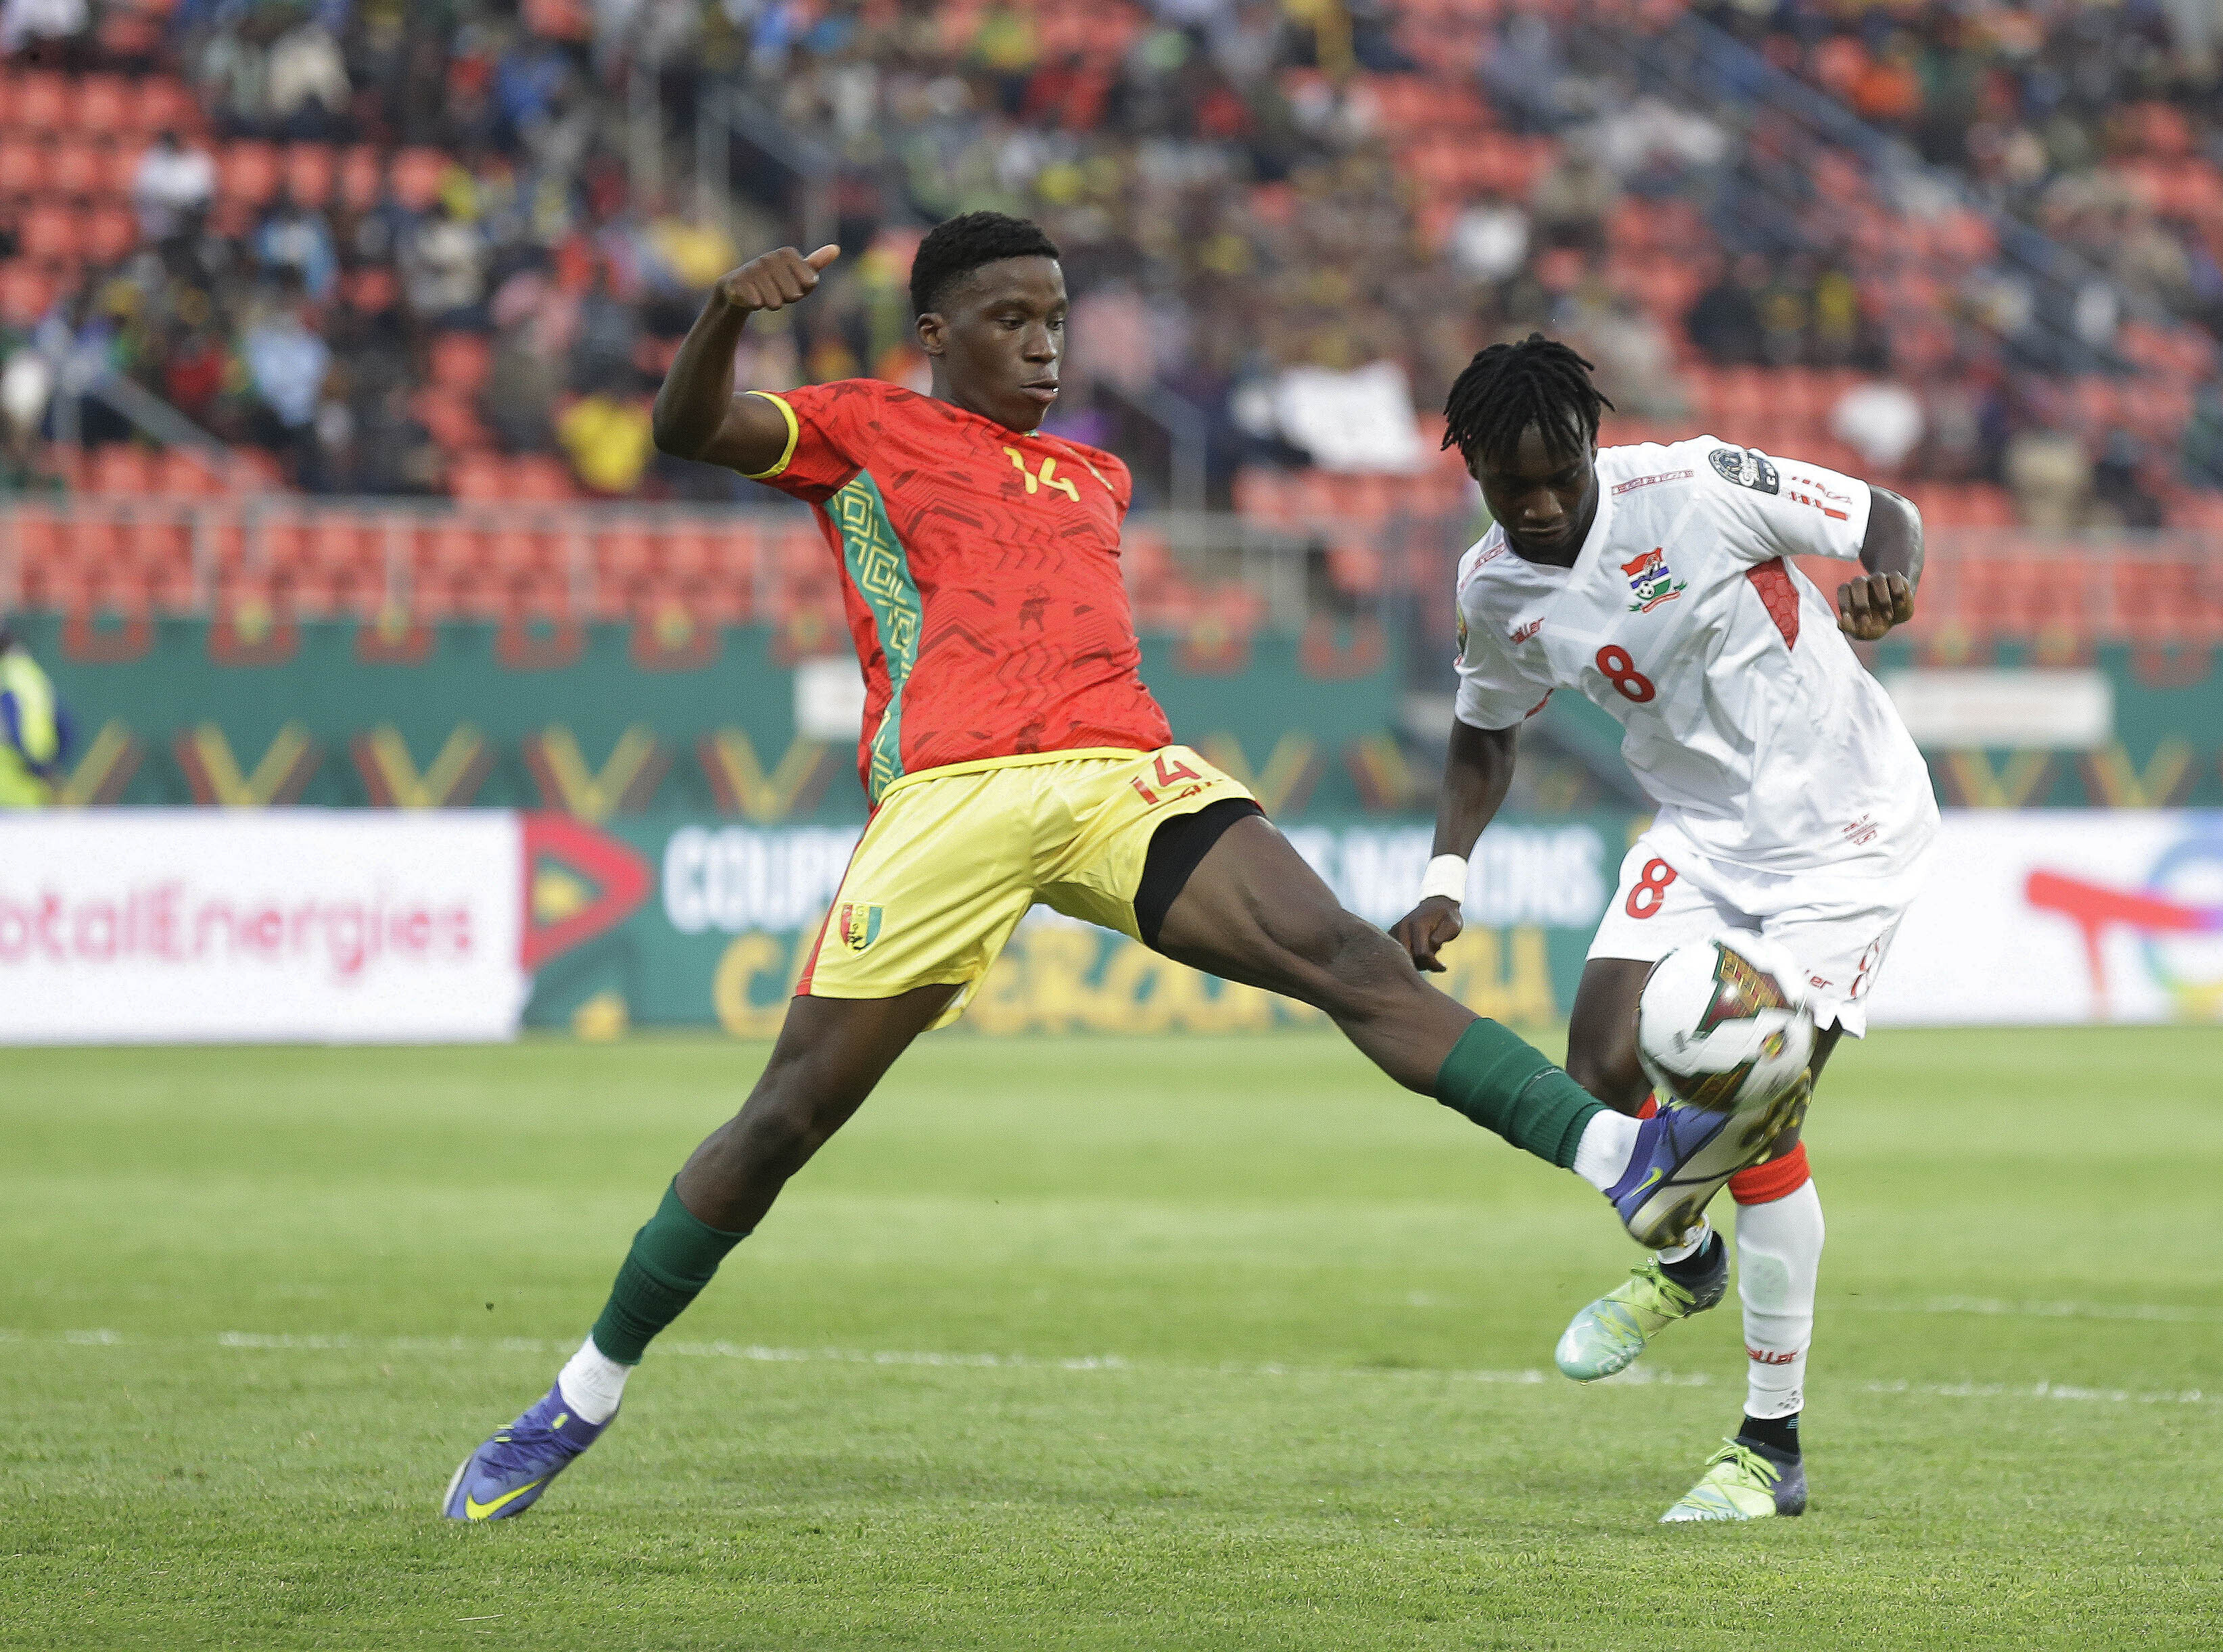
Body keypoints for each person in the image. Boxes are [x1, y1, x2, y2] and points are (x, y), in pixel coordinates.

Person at [441, 216, 1781, 1522]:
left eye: (1056, 321)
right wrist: (728, 311)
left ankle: (1621, 1155)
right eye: (1008, 320)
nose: (1042, 347)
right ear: (934, 334)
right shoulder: (857, 428)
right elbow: (686, 431)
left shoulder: (1093, 477)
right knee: (785, 1118)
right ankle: (580, 1392)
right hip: (951, 798)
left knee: (1350, 963)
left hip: (1118, 770)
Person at [1388, 337, 1934, 1524]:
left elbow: (1880, 513)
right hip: (1699, 828)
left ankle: (1765, 1446)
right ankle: (1685, 1261)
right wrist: (1445, 872)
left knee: (1750, 1101)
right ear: (1469, 465)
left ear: (1592, 447)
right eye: (1507, 484)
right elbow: (1485, 730)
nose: (1536, 505)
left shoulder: (1690, 488)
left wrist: (1888, 581)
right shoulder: (1493, 586)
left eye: (1558, 476)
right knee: (1597, 1068)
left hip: (1842, 831)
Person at [0, 617, 64, 807]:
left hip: (15, 791)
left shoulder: (9, 678)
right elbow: (66, 723)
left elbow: (17, 726)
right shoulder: (28, 672)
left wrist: (39, 767)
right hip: (32, 793)